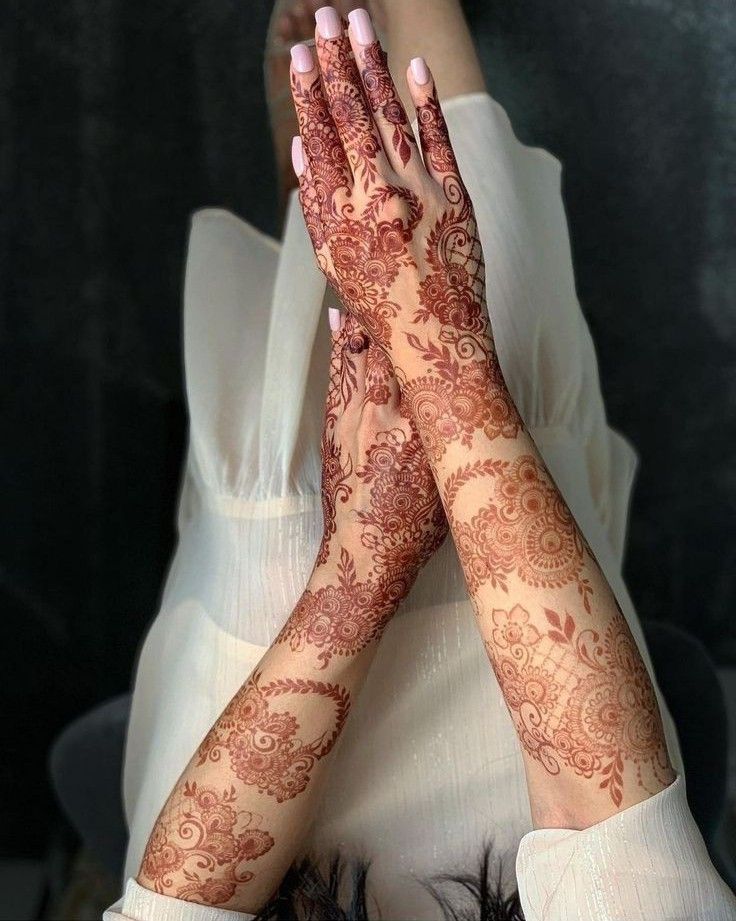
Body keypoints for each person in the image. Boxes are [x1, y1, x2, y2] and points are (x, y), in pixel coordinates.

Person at [106, 3, 736, 919]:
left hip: (261, 864)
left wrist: (364, 555)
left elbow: (176, 906)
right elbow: (622, 843)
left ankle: (322, 163)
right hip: (540, 833)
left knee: (276, 537)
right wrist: (444, 352)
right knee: (498, 381)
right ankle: (372, 87)